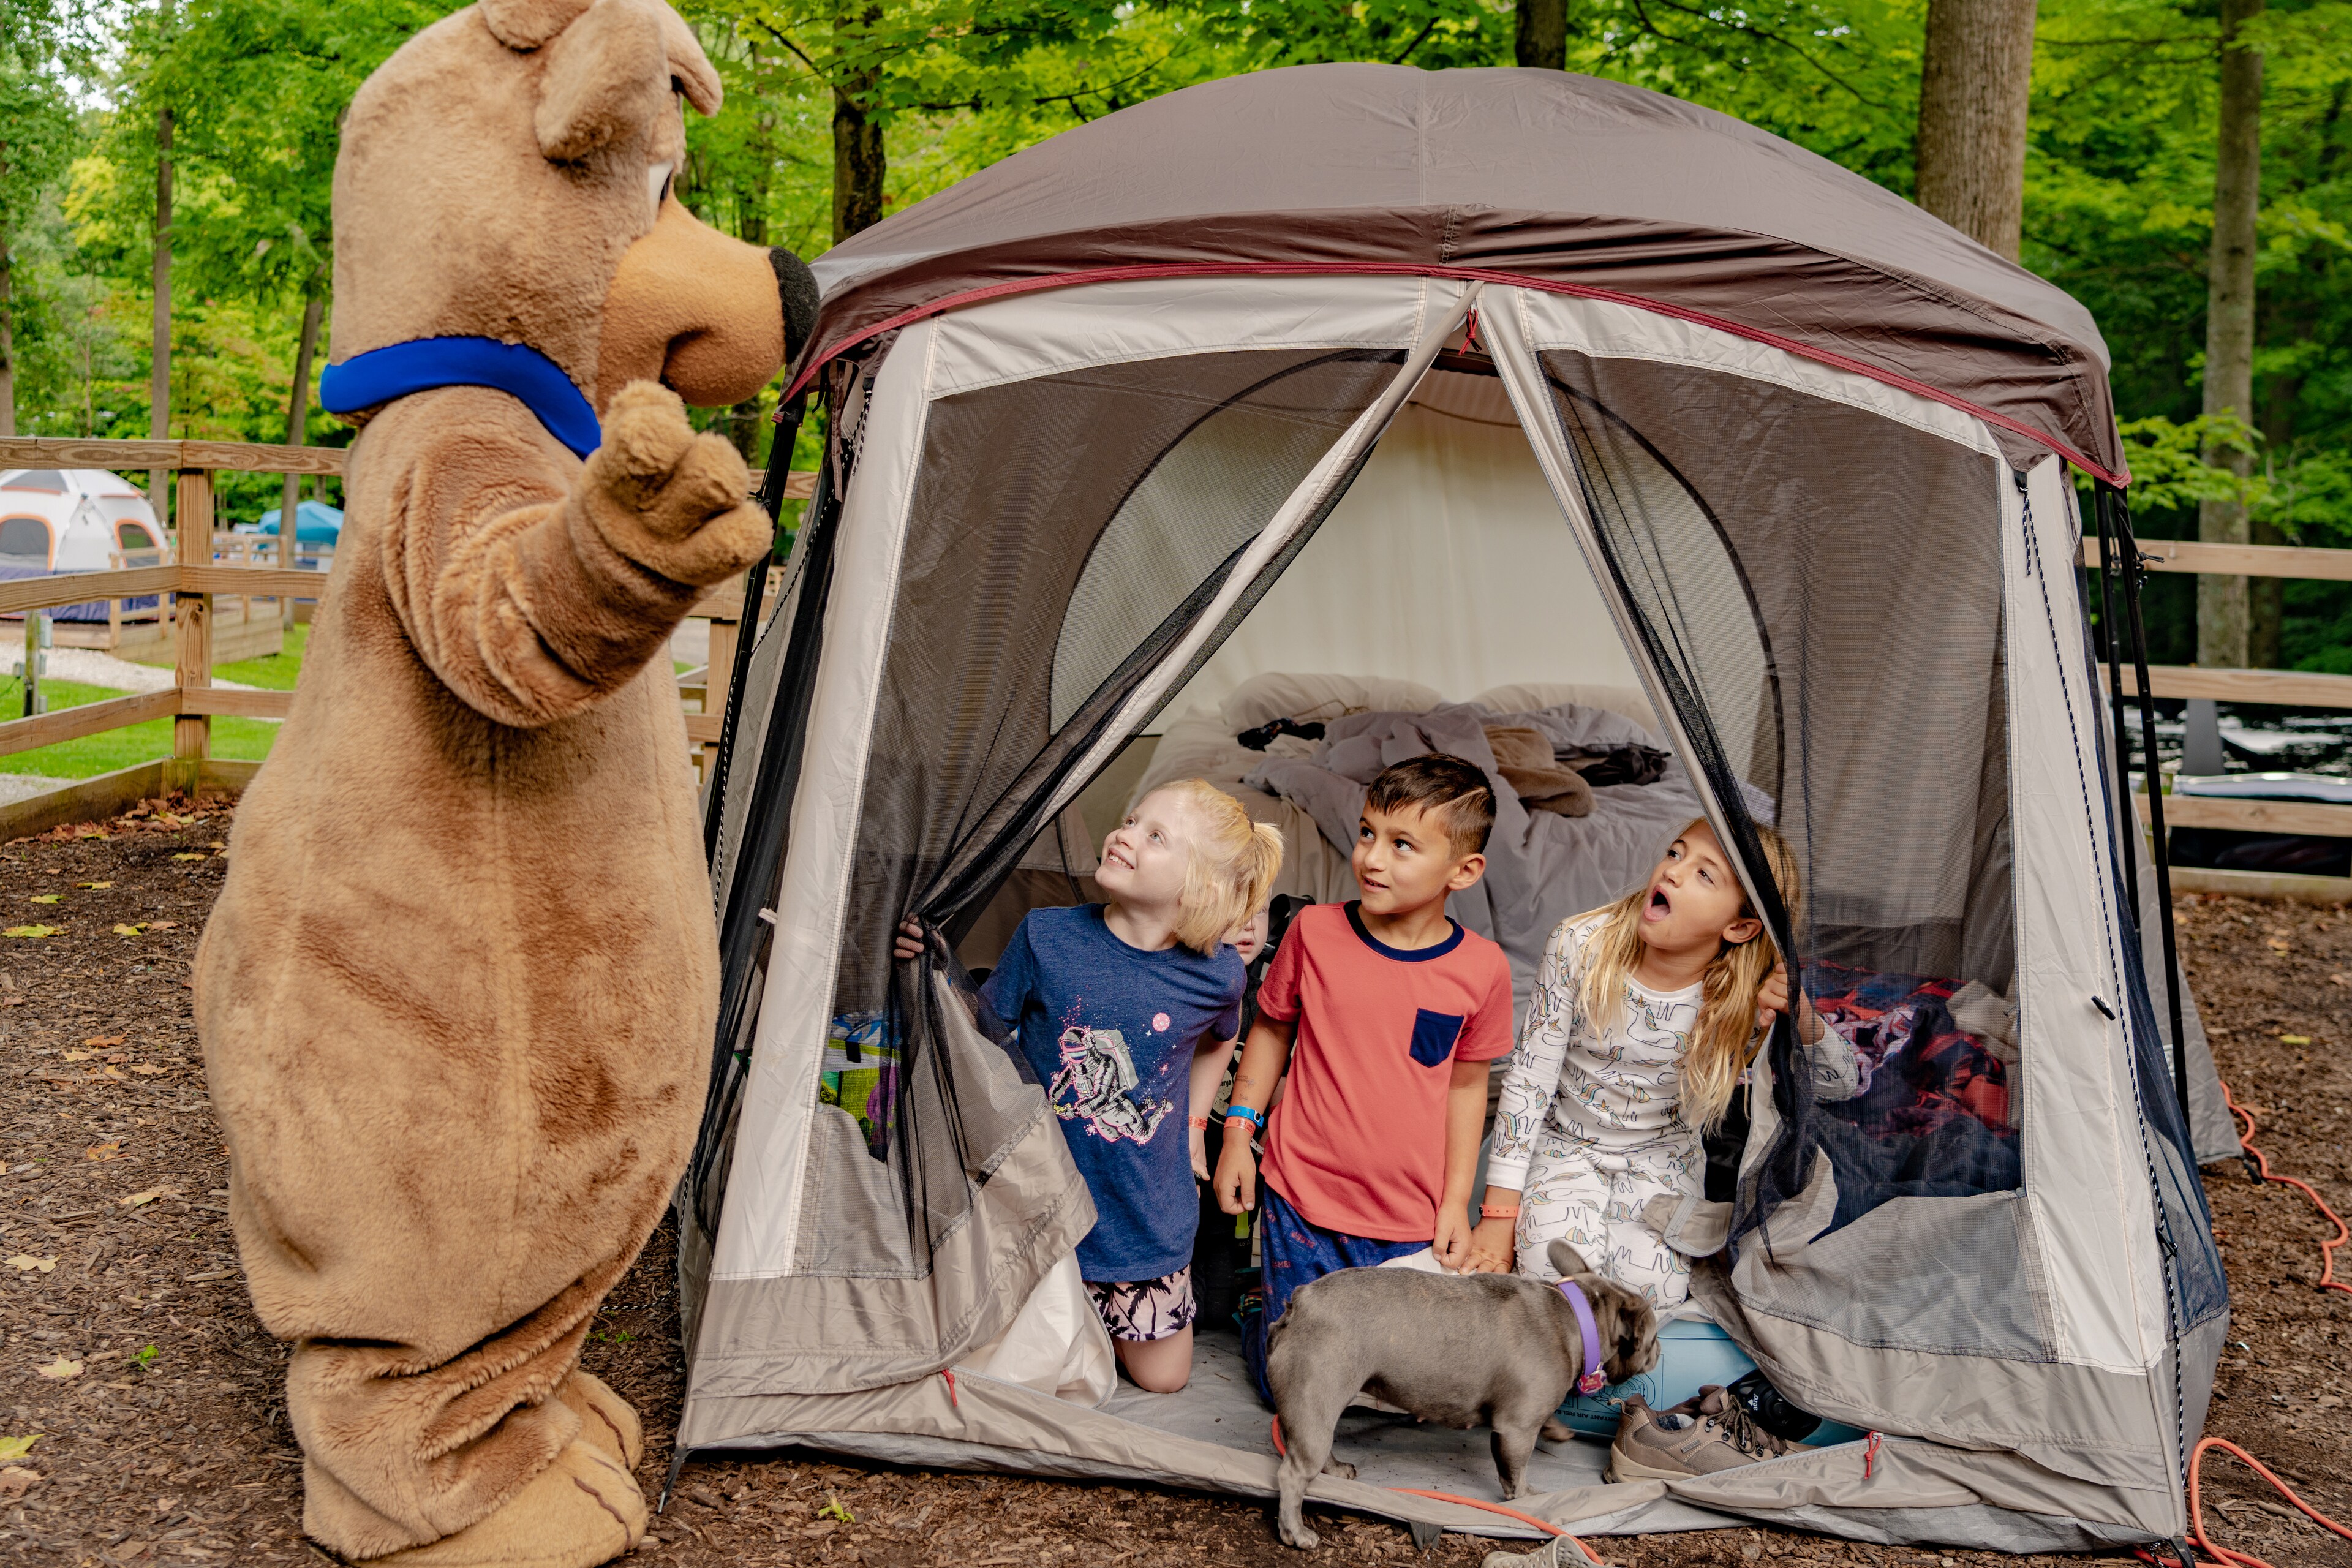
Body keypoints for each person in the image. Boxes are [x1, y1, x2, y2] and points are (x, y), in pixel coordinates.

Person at [896, 780, 1281, 1393]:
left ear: (1198, 887)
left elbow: (1220, 1035)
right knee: (1026, 1362)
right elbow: (981, 1030)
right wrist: (936, 968)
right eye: (1130, 820)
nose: (1125, 835)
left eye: (1156, 836)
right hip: (1045, 1206)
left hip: (1144, 1217)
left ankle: (1101, 1323)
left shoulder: (1219, 974)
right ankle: (1074, 1318)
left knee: (1164, 1379)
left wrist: (1194, 1125)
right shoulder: (1046, 936)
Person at [1213, 753, 1516, 1403]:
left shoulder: (1483, 968)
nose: (1372, 858)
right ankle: (1257, 1316)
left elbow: (1467, 1088)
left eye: (1402, 844)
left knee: (1395, 1386)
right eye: (1368, 833)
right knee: (1294, 1386)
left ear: (1463, 871)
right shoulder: (1314, 932)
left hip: (1407, 1215)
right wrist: (1239, 1134)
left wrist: (1455, 1203)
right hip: (1301, 1194)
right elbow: (1271, 1031)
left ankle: (1266, 1314)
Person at [1464, 818, 1860, 1310]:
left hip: (1662, 1157)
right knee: (1556, 1279)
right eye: (1676, 853)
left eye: (1704, 874)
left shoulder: (1745, 992)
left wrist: (1802, 1020)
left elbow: (1842, 1086)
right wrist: (1499, 1214)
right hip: (1566, 1143)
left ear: (1739, 927)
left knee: (1654, 1290)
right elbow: (1529, 1080)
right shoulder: (1580, 944)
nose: (1673, 871)